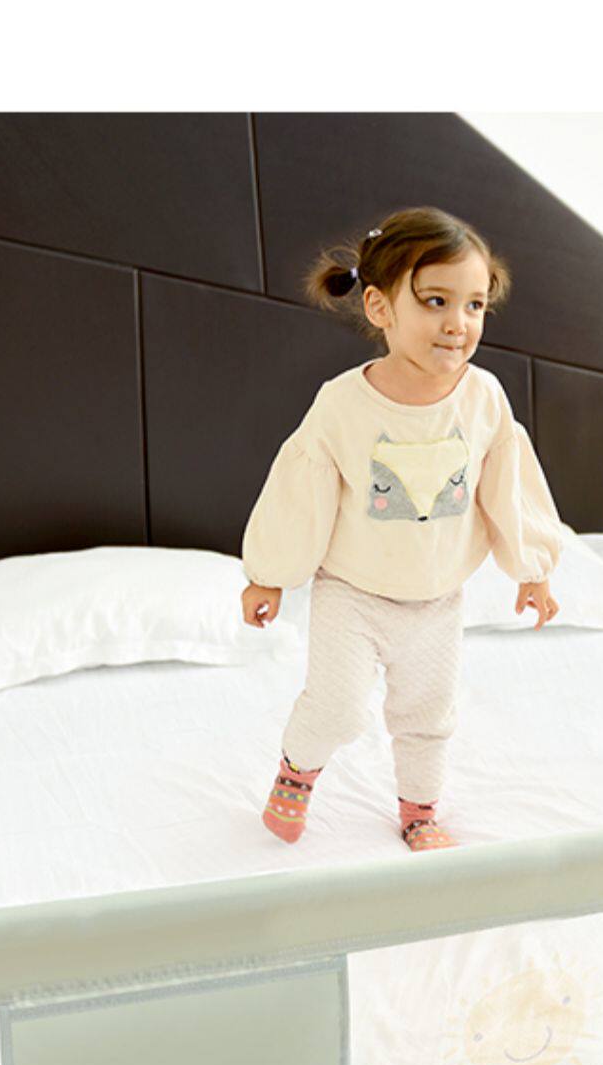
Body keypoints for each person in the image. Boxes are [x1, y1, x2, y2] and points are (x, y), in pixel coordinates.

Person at [241, 206, 565, 851]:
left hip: (437, 599)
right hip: (353, 592)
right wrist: (269, 575)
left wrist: (533, 567)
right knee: (337, 707)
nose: (457, 323)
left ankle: (419, 811)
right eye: (436, 301)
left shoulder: (484, 398)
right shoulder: (343, 403)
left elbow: (508, 483)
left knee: (428, 715)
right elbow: (299, 492)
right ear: (380, 306)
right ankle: (297, 770)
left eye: (475, 305)